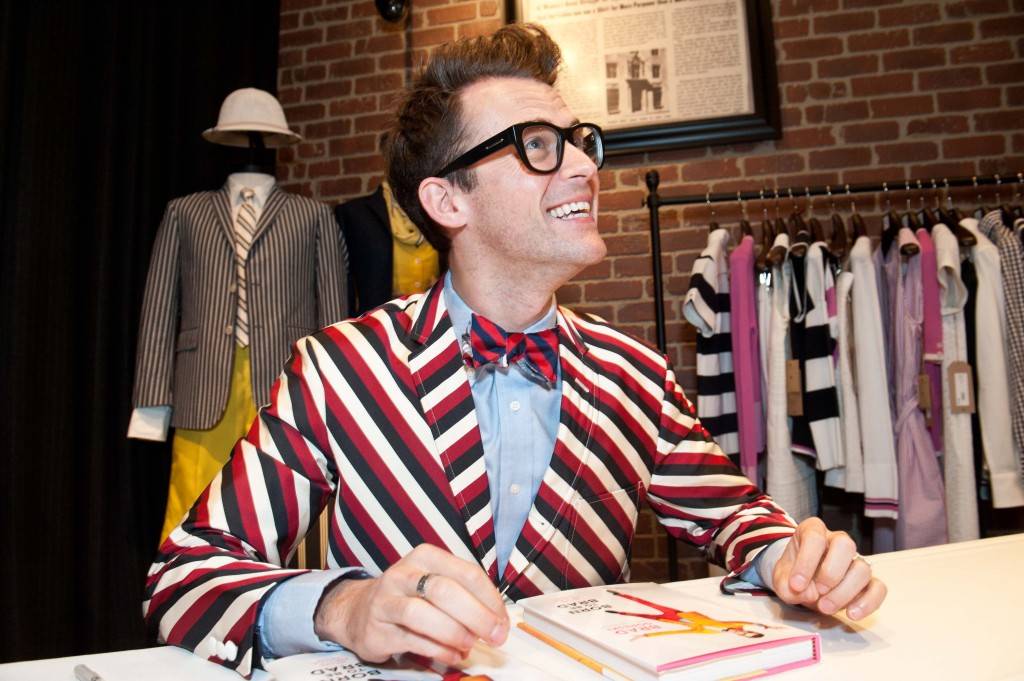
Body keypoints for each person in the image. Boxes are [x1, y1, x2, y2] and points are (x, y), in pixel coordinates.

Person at [143, 24, 886, 678]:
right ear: (448, 200)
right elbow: (185, 575)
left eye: (579, 141)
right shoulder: (337, 368)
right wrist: (344, 606)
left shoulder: (637, 376)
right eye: (538, 145)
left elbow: (738, 519)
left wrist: (793, 558)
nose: (584, 167)